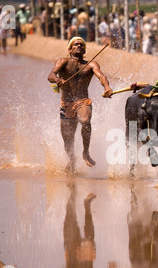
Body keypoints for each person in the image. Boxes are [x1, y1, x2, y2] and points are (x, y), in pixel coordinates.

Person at [48, 37, 113, 172]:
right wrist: (57, 80)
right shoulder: (63, 61)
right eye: (75, 44)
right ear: (70, 49)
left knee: (85, 120)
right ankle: (72, 161)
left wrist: (107, 87)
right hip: (66, 104)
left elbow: (102, 76)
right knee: (68, 142)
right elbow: (51, 75)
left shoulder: (91, 64)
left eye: (81, 45)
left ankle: (86, 152)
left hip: (83, 101)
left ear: (84, 50)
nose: (79, 46)